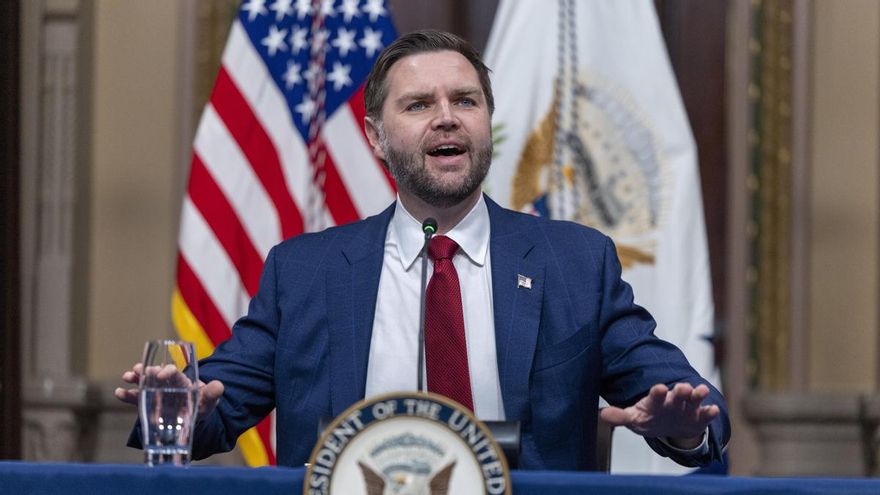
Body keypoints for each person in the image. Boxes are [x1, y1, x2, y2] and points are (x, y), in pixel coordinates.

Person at [116, 30, 729, 471]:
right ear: (376, 138)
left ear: (488, 121)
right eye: (418, 105)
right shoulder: (303, 272)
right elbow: (215, 414)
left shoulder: (576, 263)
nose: (447, 119)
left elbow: (690, 403)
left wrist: (685, 429)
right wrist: (181, 408)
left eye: (465, 101)